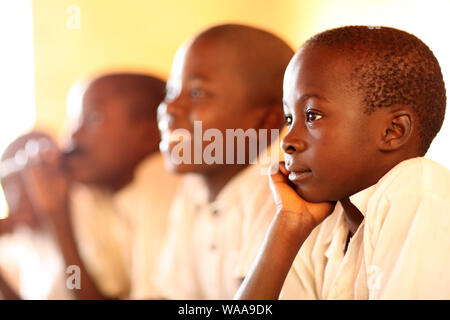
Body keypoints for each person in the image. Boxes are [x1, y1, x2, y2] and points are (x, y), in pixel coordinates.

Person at [235, 25, 450, 300]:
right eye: (290, 119)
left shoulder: (420, 187)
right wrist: (287, 225)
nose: (288, 141)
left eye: (312, 115)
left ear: (392, 131)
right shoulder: (322, 223)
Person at [155, 24, 294, 299]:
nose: (170, 108)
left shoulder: (277, 198)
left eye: (197, 93)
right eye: (171, 91)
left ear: (267, 121)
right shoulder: (194, 190)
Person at [22, 73, 180, 299]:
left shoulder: (160, 182)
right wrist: (57, 216)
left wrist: (58, 218)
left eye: (93, 118)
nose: (73, 135)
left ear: (151, 132)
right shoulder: (101, 196)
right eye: (74, 121)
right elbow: (85, 290)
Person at [0, 132, 72, 300]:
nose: (17, 197)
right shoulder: (23, 242)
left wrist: (57, 217)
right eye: (8, 186)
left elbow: (77, 286)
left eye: (25, 180)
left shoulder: (83, 226)